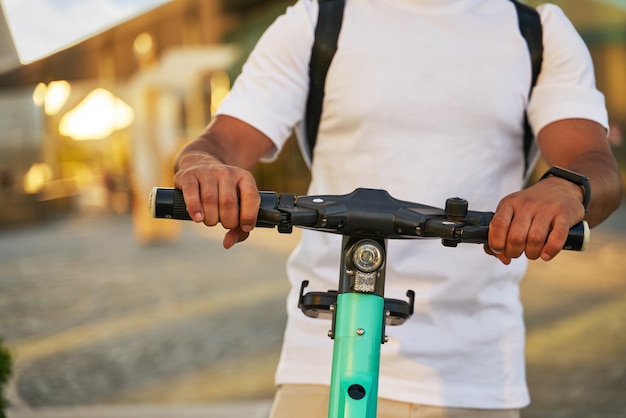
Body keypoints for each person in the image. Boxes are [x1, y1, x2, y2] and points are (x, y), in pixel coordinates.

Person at [173, 1, 622, 417]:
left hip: (475, 376)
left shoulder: (539, 33)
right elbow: (223, 140)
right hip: (322, 363)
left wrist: (566, 188)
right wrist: (204, 166)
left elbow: (595, 164)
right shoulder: (317, 22)